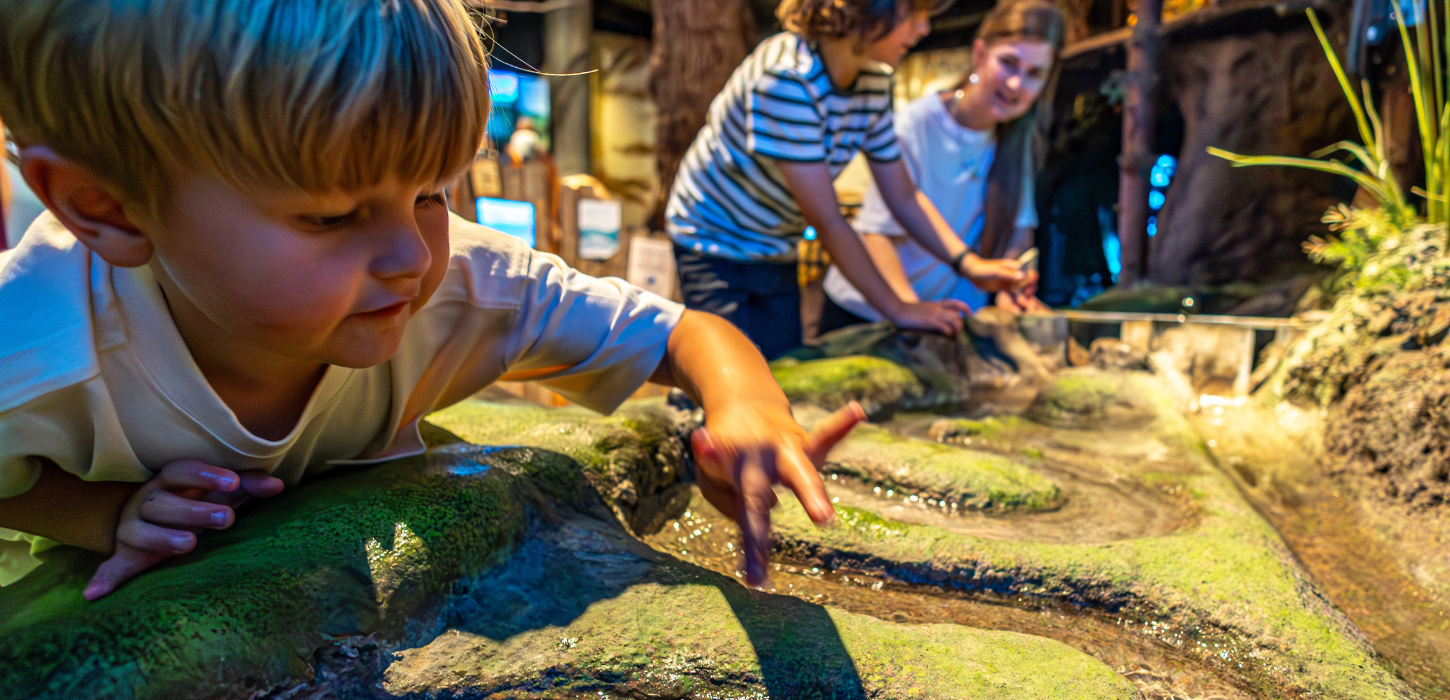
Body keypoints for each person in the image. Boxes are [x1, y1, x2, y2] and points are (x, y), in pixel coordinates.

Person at [0, 0, 860, 598]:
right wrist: (104, 515)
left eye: (433, 193)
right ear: (104, 208)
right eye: (333, 214)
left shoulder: (456, 289)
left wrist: (745, 409)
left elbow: (686, 331)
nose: (412, 255)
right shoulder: (32, 339)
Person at [665, 0, 1028, 360]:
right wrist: (899, 308)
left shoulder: (874, 79)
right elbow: (826, 220)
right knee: (730, 374)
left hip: (777, 244)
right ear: (866, 10)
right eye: (913, 14)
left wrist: (968, 264)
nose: (924, 28)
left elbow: (901, 193)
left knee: (779, 366)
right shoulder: (787, 79)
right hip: (712, 240)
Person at [820, 0, 1064, 335]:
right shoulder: (917, 124)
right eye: (1008, 63)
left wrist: (1011, 288)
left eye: (1035, 74)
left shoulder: (1017, 141)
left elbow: (1018, 233)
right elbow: (875, 233)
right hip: (869, 315)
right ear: (979, 54)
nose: (1016, 84)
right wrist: (910, 310)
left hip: (947, 322)